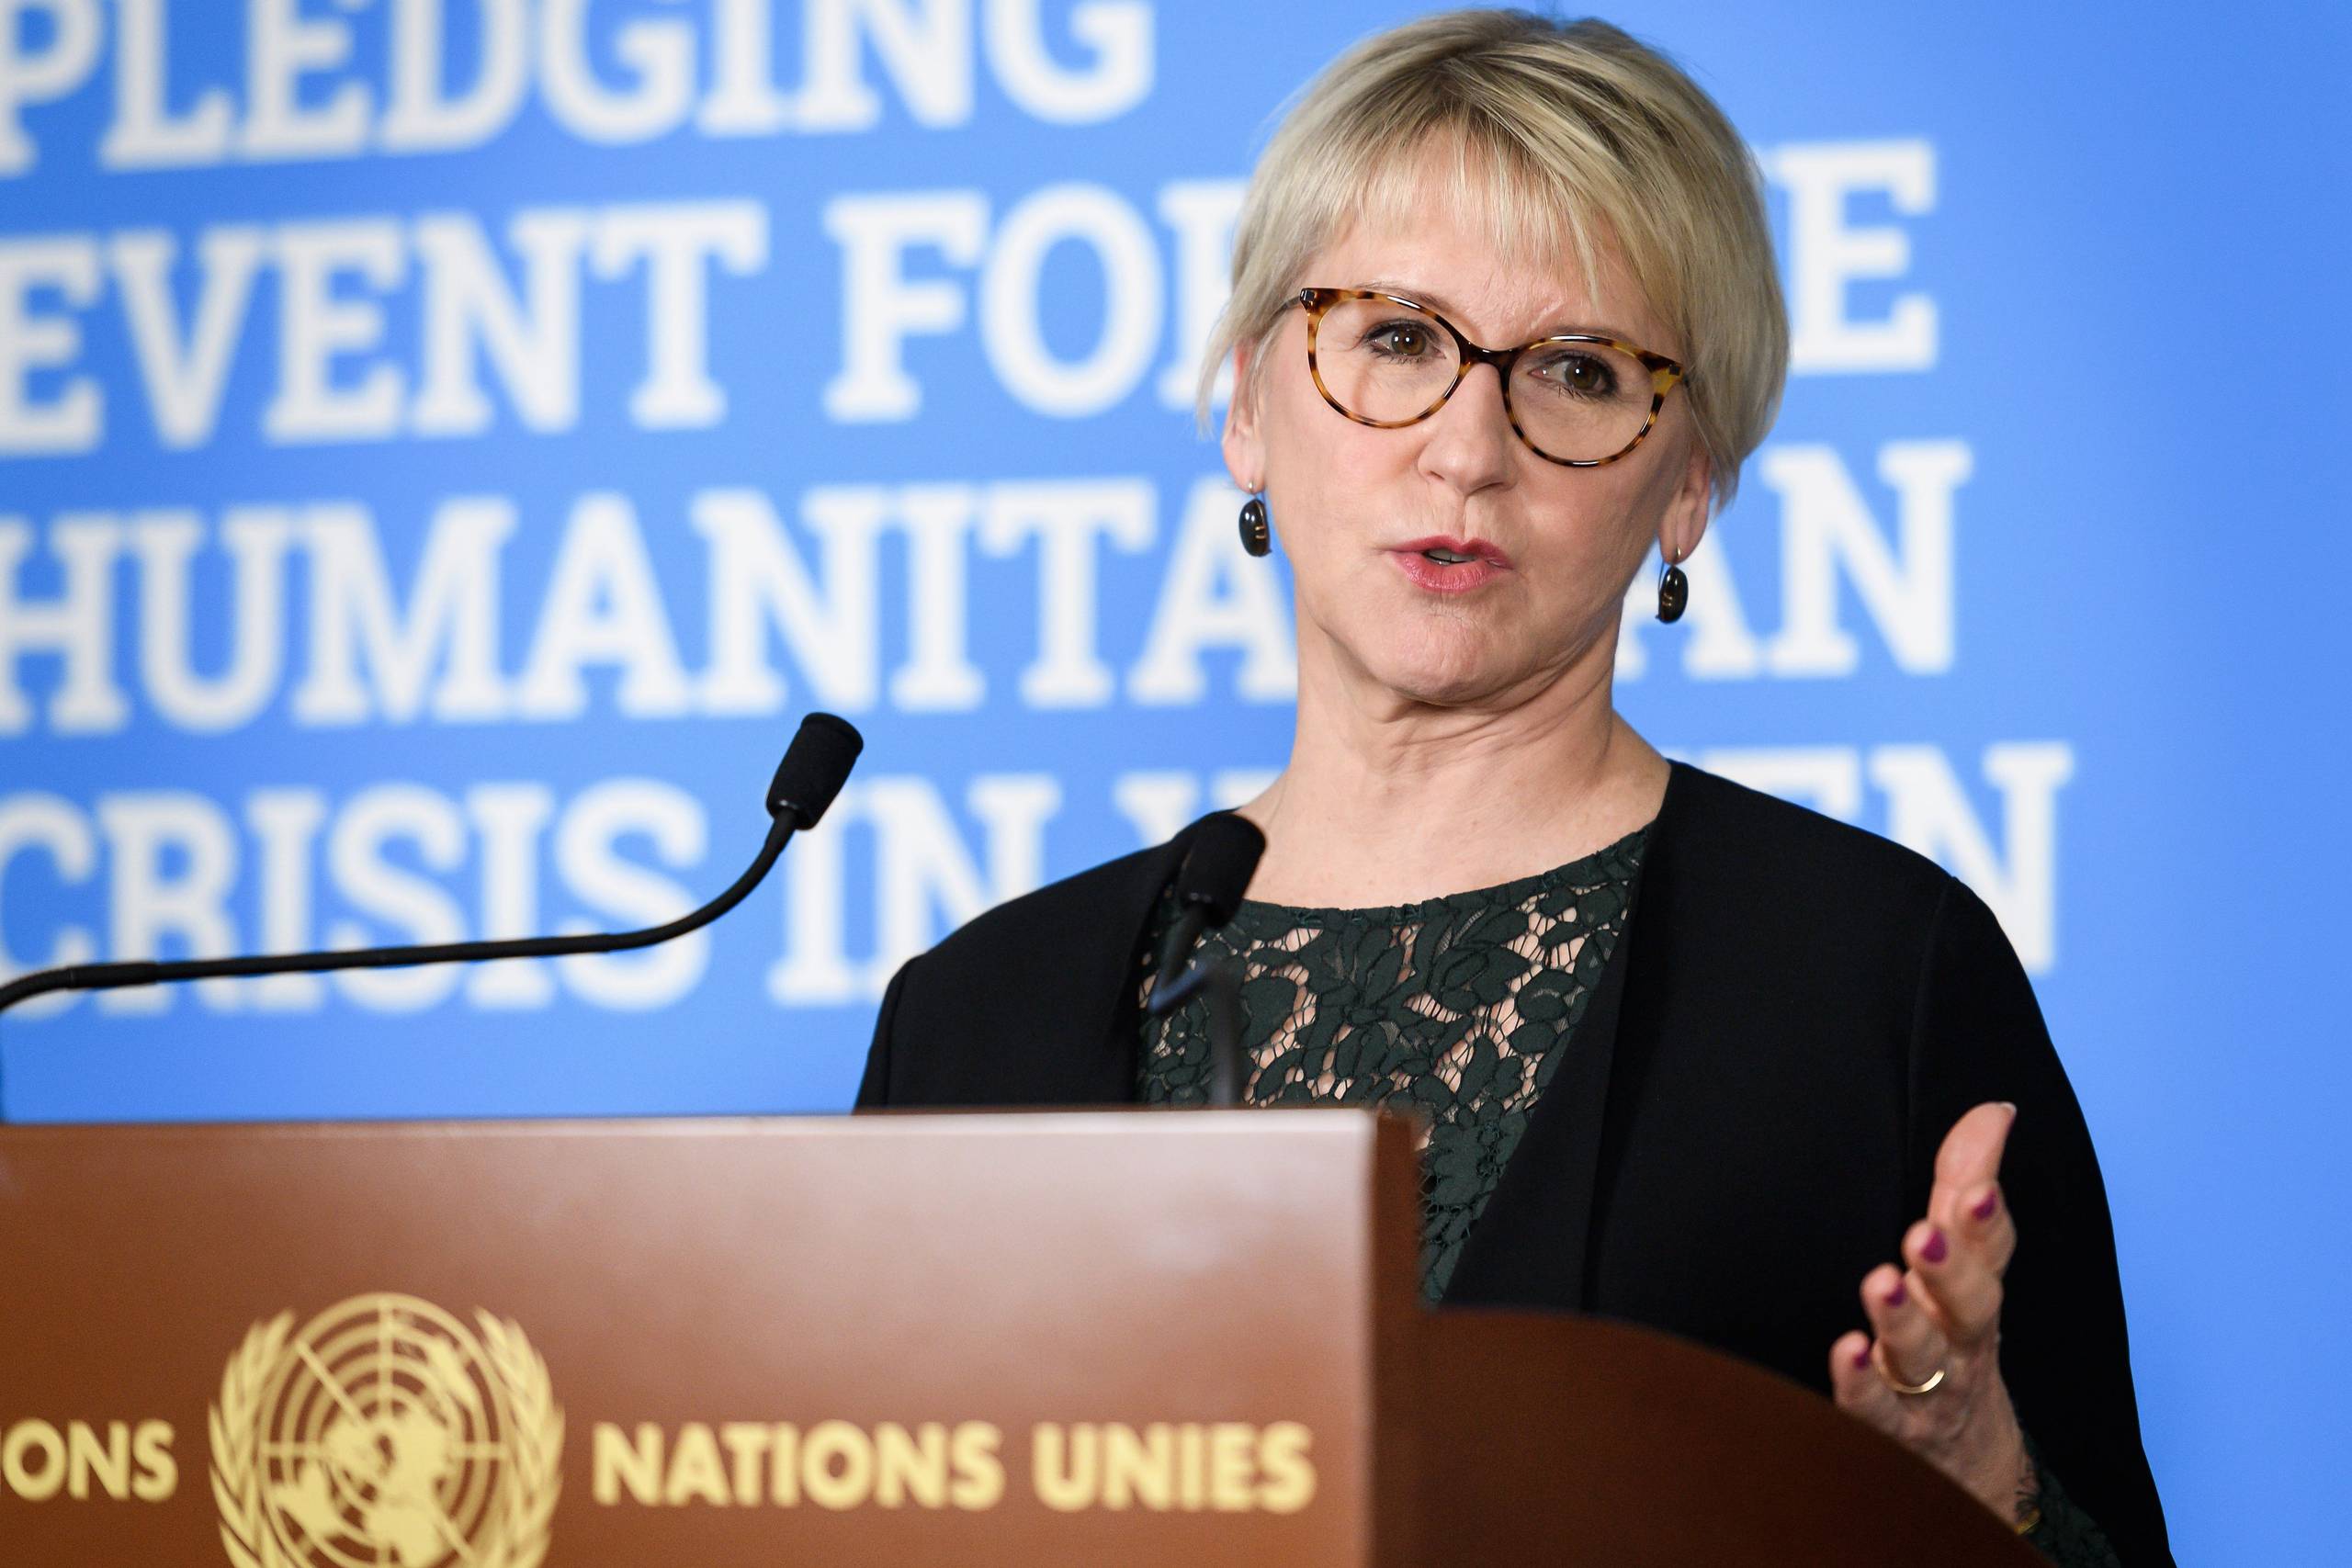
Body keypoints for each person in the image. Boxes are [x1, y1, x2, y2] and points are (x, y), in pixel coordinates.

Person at [855, 10, 2170, 1563]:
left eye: (1576, 370)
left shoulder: (1868, 979)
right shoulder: (975, 1013)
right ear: (1246, 406)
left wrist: (1980, 1489)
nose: (1469, 446)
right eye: (1396, 338)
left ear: (1687, 481)